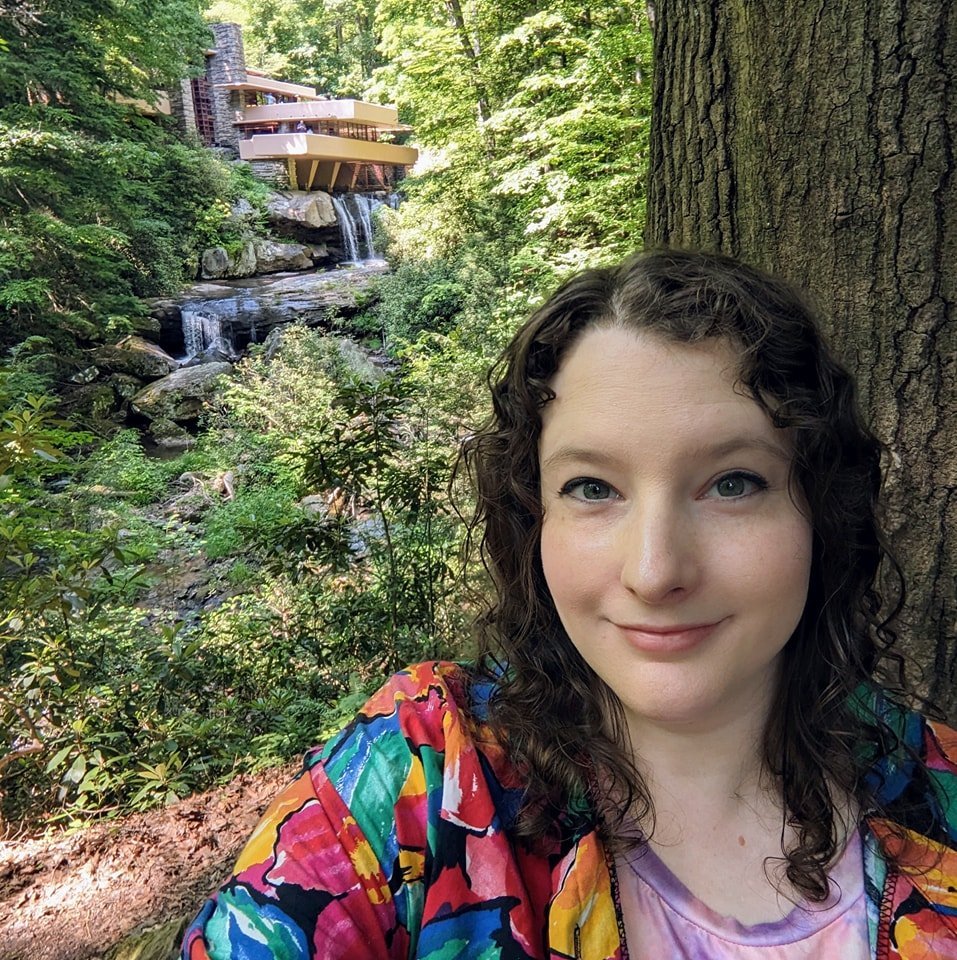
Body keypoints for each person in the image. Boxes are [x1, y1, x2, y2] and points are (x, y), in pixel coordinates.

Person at [180, 250, 957, 959]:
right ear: (532, 516)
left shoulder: (937, 793)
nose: (654, 573)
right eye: (592, 488)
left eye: (732, 483)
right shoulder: (418, 781)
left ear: (822, 510)